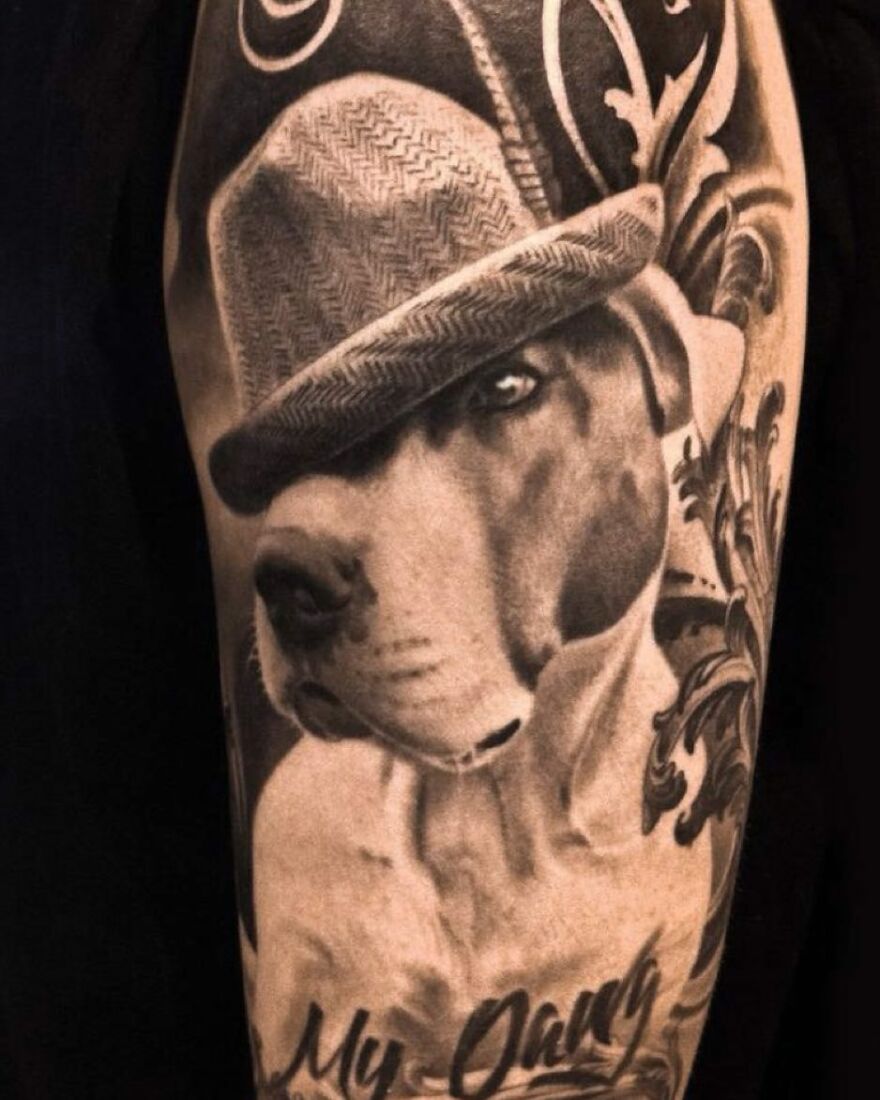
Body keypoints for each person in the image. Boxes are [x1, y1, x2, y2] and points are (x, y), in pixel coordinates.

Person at [163, 2, 807, 1097]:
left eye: (503, 387)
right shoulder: (309, 831)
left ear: (659, 373)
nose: (308, 537)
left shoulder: (665, 819)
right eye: (319, 452)